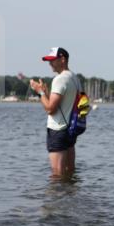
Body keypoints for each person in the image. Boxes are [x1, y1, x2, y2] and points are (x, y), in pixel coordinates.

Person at [29, 47, 80, 178]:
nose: (50, 63)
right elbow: (65, 103)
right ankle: (70, 197)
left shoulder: (59, 79)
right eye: (49, 61)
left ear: (62, 59)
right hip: (70, 130)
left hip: (58, 130)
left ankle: (57, 198)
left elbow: (51, 109)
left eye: (53, 60)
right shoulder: (74, 78)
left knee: (57, 175)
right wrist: (46, 93)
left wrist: (39, 92)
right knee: (69, 172)